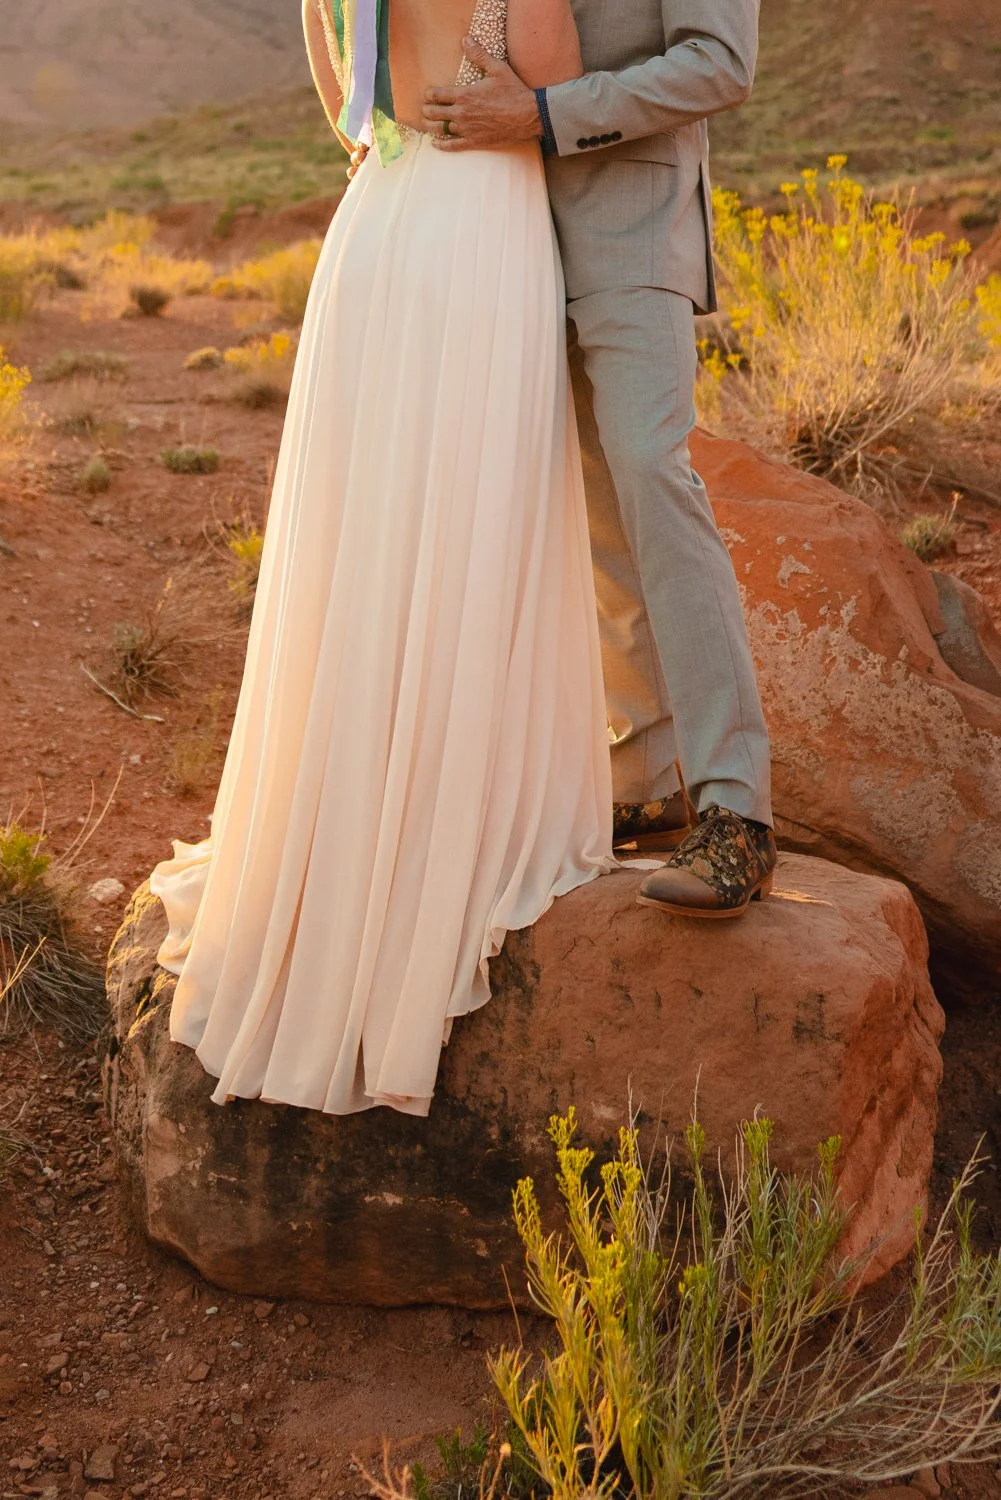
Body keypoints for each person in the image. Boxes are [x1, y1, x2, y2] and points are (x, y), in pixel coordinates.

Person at [145, 0, 621, 1119]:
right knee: (470, 518)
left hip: (378, 229)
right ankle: (443, 824)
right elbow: (540, 96)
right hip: (477, 235)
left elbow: (350, 118)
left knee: (368, 539)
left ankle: (335, 838)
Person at [419, 0, 778, 919]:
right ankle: (647, 777)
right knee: (591, 507)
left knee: (653, 475)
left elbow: (719, 64)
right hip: (502, 229)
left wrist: (545, 116)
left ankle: (735, 808)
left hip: (630, 224)